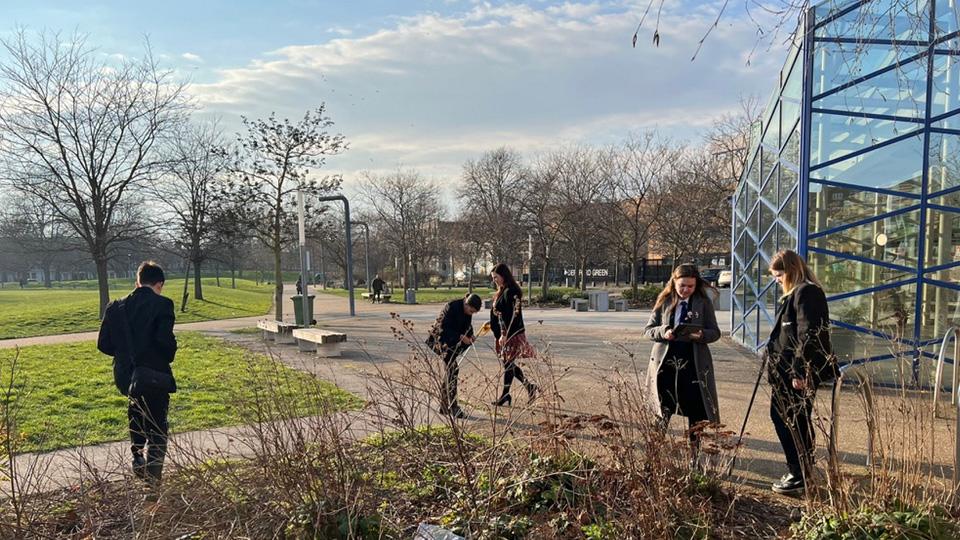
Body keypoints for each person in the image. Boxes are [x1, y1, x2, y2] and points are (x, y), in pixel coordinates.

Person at [97, 261, 178, 486]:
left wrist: (125, 355)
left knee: (136, 411)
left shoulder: (115, 307)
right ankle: (153, 483)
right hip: (154, 375)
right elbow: (165, 343)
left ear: (137, 282)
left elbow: (103, 344)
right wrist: (170, 348)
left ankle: (137, 457)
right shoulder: (163, 305)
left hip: (127, 376)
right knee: (158, 427)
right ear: (159, 284)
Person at [766, 249, 836, 495]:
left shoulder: (806, 293)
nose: (776, 280)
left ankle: (800, 472)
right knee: (789, 418)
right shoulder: (796, 293)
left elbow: (809, 334)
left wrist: (800, 370)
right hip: (785, 369)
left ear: (791, 271)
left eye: (778, 275)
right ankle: (798, 470)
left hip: (797, 372)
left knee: (793, 420)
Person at [644, 264, 721, 461]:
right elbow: (648, 330)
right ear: (674, 282)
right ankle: (653, 456)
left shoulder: (703, 303)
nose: (685, 289)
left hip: (693, 364)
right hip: (666, 364)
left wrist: (702, 334)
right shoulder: (665, 301)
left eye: (690, 286)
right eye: (682, 285)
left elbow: (715, 332)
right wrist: (664, 331)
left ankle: (694, 457)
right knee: (662, 410)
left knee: (696, 411)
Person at [427, 293, 483, 419]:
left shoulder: (467, 311)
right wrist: (460, 336)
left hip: (453, 343)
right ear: (466, 303)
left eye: (473, 313)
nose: (471, 314)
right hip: (442, 341)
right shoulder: (451, 306)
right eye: (470, 310)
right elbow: (443, 327)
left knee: (450, 371)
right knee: (453, 369)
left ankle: (444, 405)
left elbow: (467, 325)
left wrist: (470, 335)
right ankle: (453, 406)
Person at [490, 263, 538, 406]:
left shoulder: (511, 291)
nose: (494, 280)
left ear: (503, 276)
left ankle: (506, 394)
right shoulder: (503, 290)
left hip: (511, 333)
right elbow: (500, 313)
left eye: (496, 277)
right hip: (503, 333)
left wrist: (504, 334)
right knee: (508, 363)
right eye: (493, 278)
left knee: (508, 363)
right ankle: (528, 387)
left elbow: (512, 316)